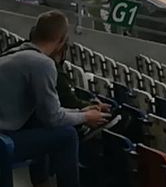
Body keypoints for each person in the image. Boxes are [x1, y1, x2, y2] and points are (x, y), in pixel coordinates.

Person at [0, 11, 110, 187]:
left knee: (43, 125)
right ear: (61, 40)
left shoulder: (14, 54)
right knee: (67, 135)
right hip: (3, 140)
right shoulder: (42, 64)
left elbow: (47, 113)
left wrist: (79, 112)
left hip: (6, 133)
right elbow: (53, 118)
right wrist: (85, 117)